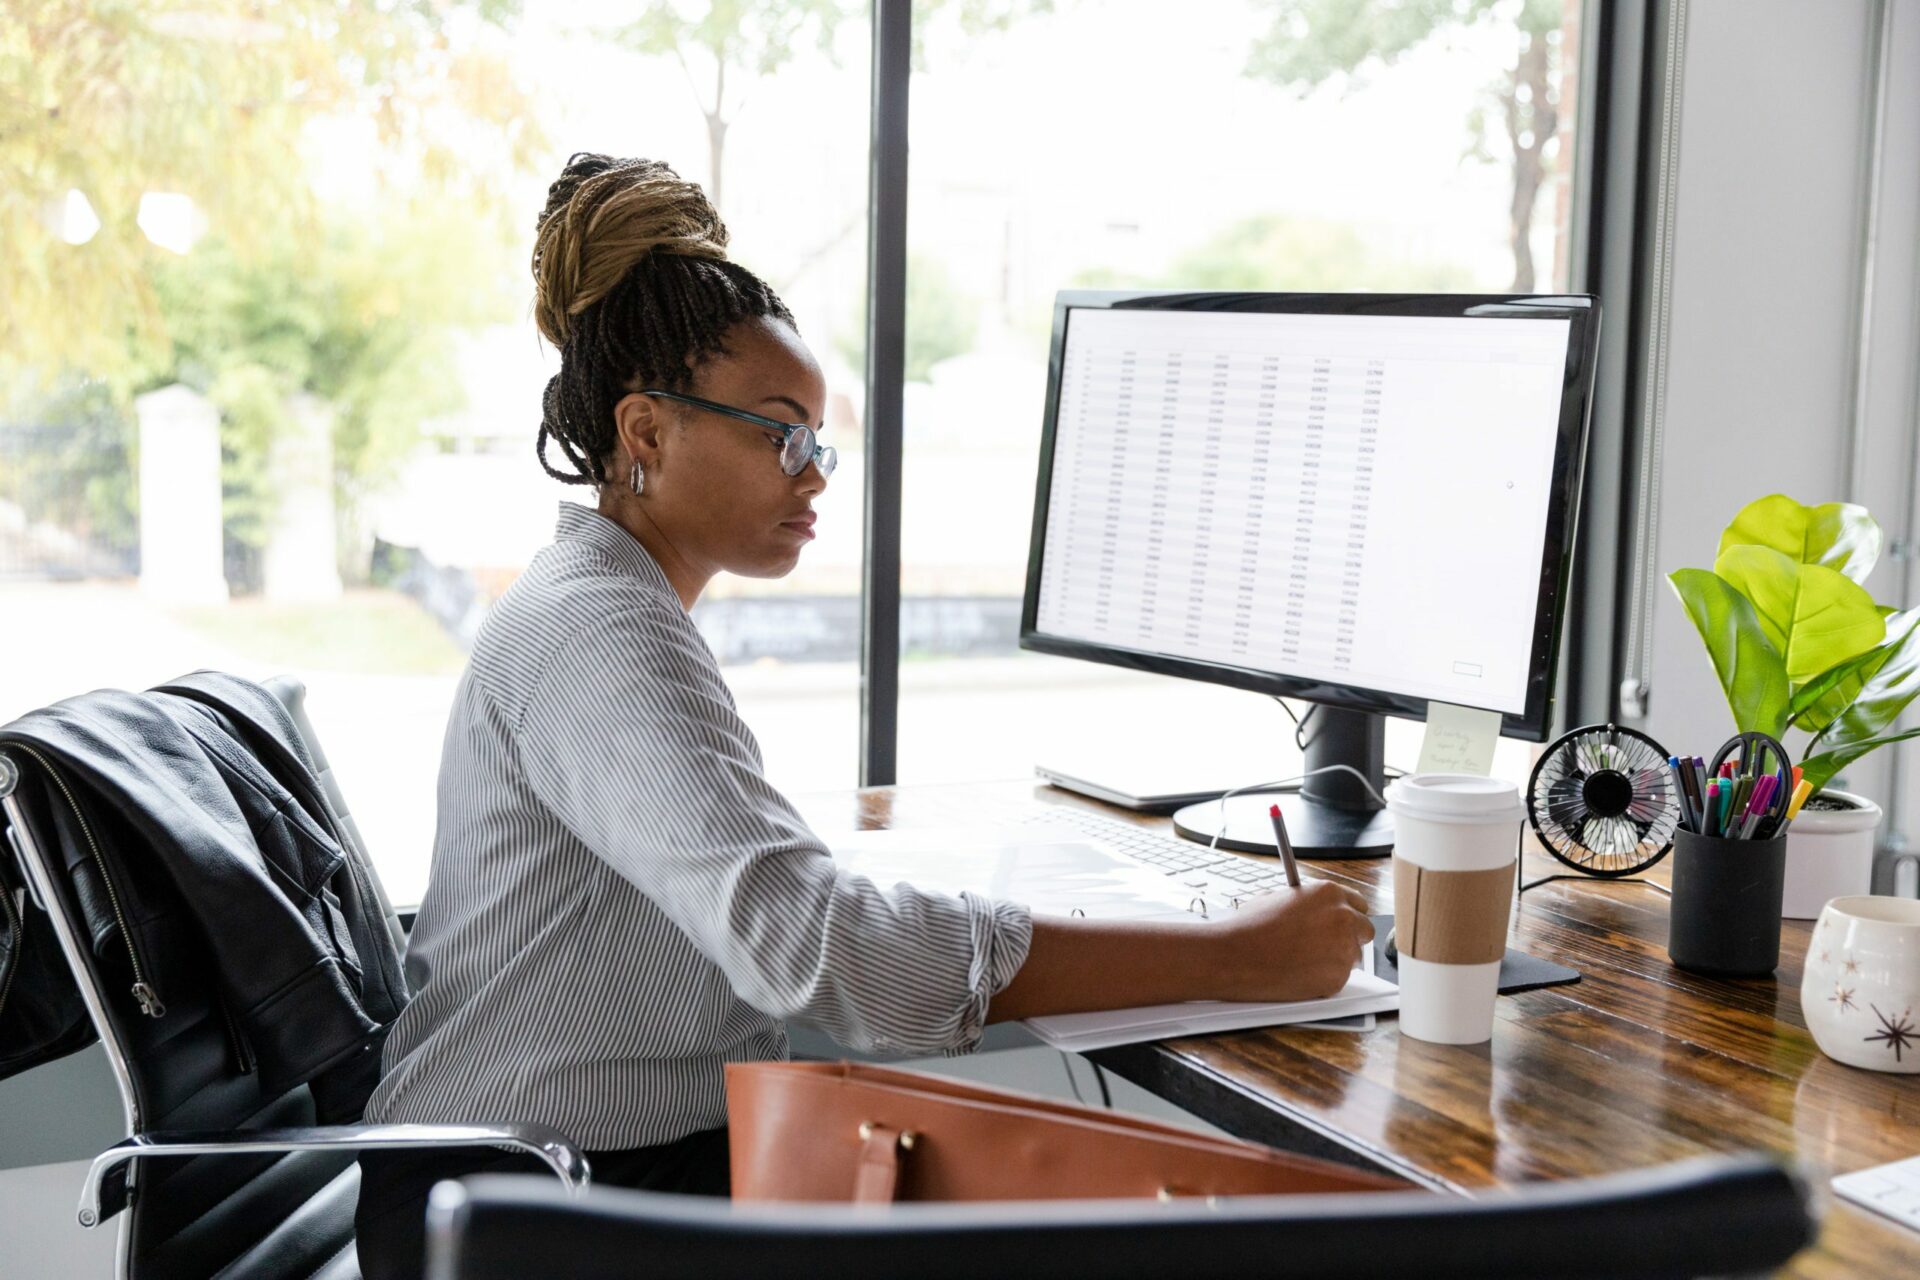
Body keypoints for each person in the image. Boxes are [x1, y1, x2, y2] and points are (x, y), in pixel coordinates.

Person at [354, 153, 1372, 1278]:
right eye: (781, 433)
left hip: (607, 1162)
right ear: (645, 434)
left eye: (819, 442)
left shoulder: (613, 606)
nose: (815, 473)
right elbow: (816, 949)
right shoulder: (597, 629)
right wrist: (1230, 957)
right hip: (527, 1203)